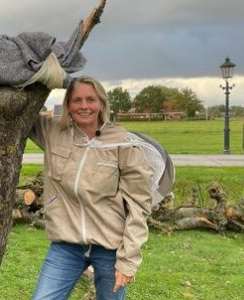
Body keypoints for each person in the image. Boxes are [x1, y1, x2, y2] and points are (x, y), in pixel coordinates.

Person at [30, 75, 153, 300]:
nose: (83, 106)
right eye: (76, 100)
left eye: (90, 99)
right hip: (66, 246)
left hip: (109, 249)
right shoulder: (52, 131)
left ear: (102, 104)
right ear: (67, 104)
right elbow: (22, 110)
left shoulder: (122, 143)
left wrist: (128, 260)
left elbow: (139, 205)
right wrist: (51, 75)